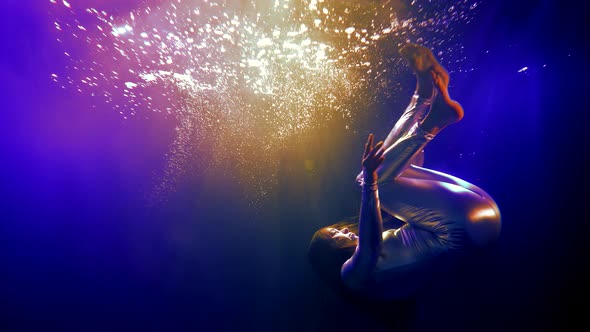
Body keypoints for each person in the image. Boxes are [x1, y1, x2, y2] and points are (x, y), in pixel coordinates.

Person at [308, 43, 502, 300]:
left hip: (476, 216)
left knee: (396, 170)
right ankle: (429, 118)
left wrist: (374, 179)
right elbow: (371, 246)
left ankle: (423, 95)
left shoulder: (372, 265)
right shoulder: (351, 277)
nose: (343, 231)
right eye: (334, 236)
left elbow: (407, 167)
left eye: (335, 229)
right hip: (464, 232)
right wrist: (370, 184)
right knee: (368, 180)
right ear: (329, 254)